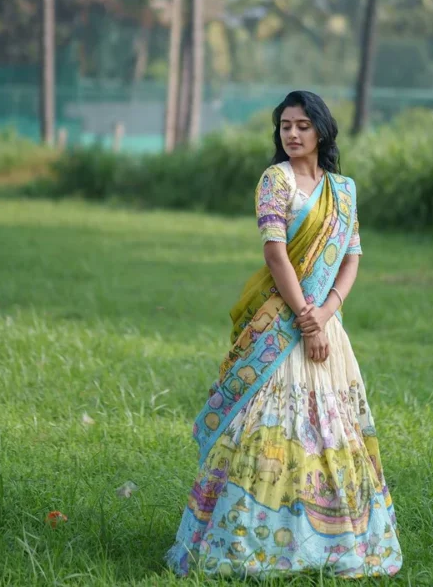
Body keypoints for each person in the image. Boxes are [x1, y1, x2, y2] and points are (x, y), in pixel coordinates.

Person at [165, 91, 403, 578]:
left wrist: (326, 313)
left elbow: (352, 256)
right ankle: (247, 544)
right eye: (285, 126)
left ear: (321, 131)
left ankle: (330, 545)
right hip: (282, 322)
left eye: (302, 125)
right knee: (268, 427)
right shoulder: (275, 181)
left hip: (326, 326)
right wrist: (305, 317)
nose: (292, 134)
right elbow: (276, 254)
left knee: (329, 429)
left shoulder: (343, 190)